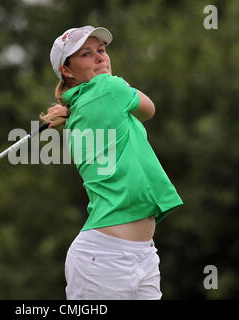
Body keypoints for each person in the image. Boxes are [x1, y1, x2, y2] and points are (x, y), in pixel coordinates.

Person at [41, 26, 183, 300]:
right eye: (86, 54)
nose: (100, 58)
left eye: (102, 51)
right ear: (67, 71)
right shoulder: (110, 87)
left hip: (143, 254)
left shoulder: (80, 107)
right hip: (104, 258)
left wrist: (69, 112)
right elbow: (149, 109)